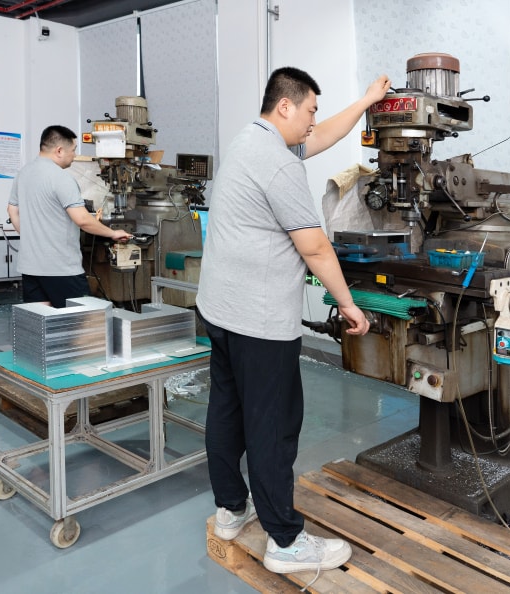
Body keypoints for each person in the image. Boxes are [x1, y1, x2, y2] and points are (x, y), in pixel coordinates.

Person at [196, 67, 391, 575]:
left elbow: (322, 138)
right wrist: (348, 304)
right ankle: (285, 541)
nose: (312, 122)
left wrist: (366, 101)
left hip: (220, 309)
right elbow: (316, 247)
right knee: (274, 426)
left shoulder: (249, 141)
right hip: (259, 322)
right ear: (285, 106)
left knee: (227, 412)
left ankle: (231, 510)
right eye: (309, 111)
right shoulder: (279, 165)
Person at [7, 125, 131, 308]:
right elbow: (82, 220)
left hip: (30, 267)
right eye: (73, 150)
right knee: (80, 320)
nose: (74, 155)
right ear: (59, 150)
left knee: (42, 319)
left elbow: (12, 211)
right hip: (61, 269)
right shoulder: (61, 177)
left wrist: (32, 238)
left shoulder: (23, 173)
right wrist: (113, 233)